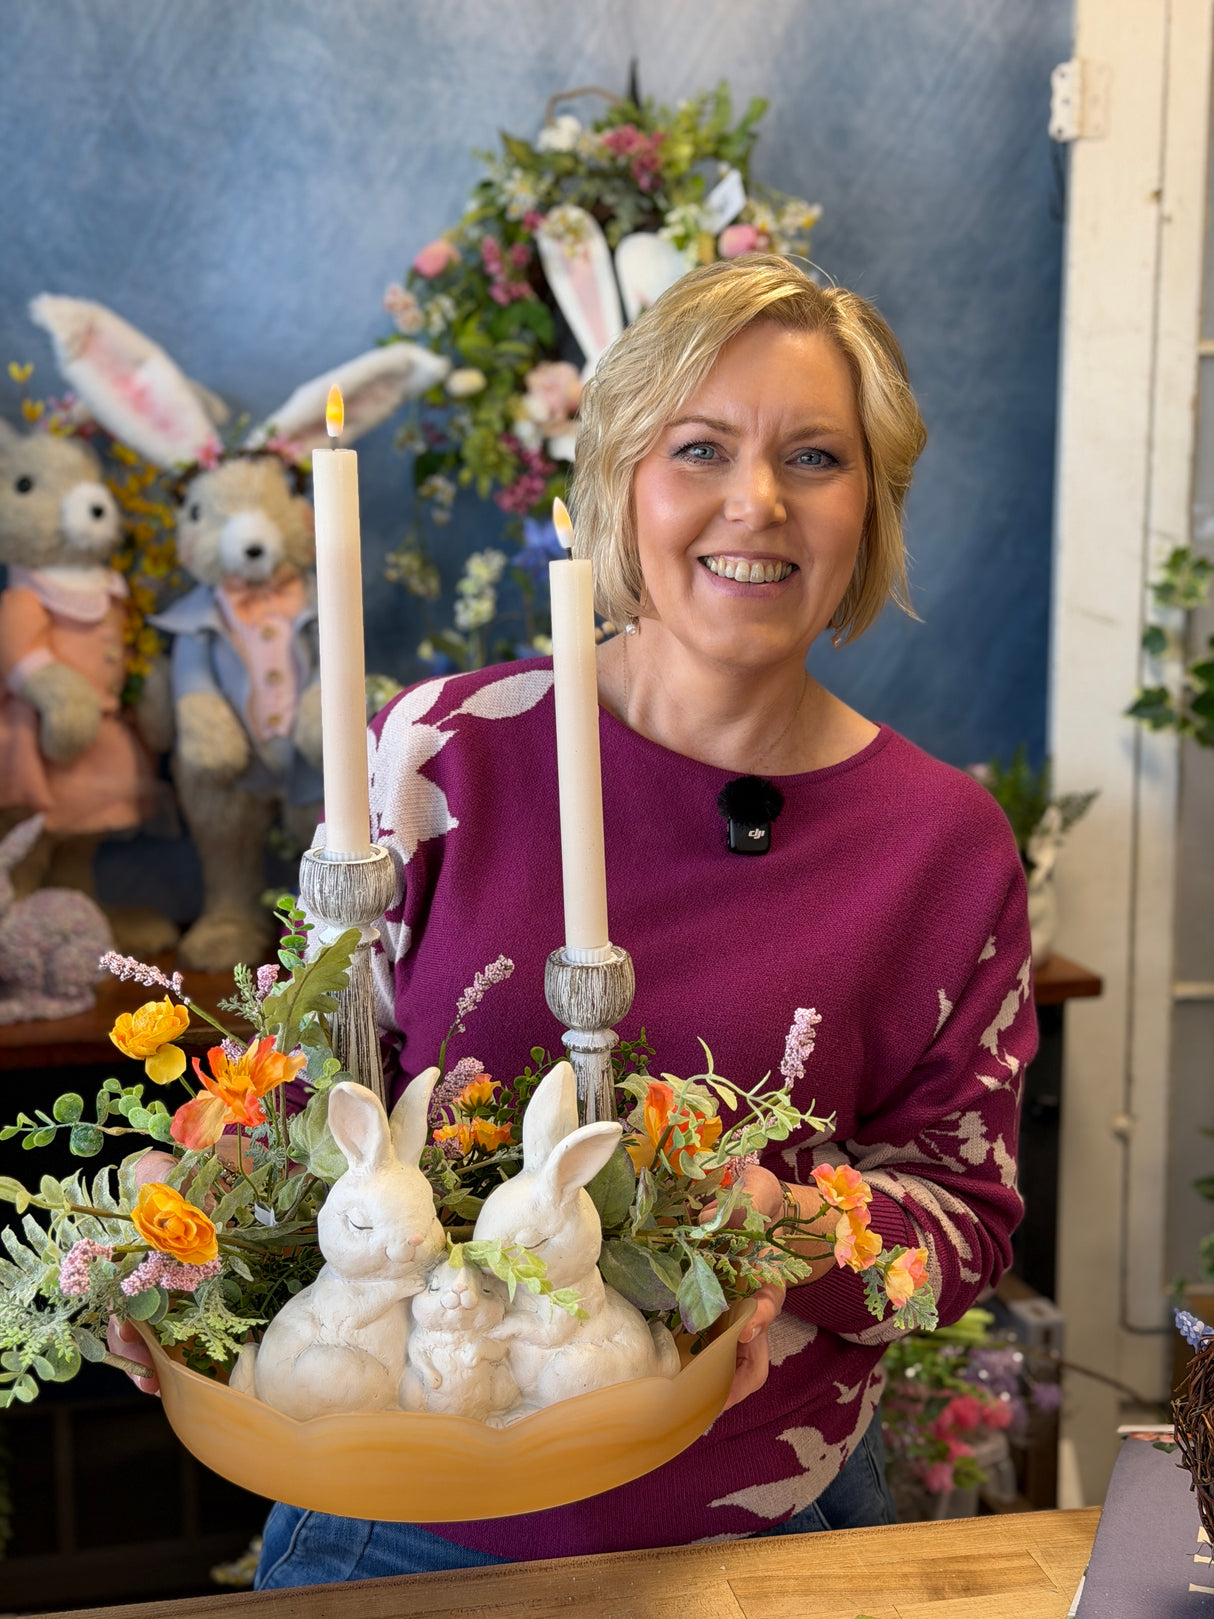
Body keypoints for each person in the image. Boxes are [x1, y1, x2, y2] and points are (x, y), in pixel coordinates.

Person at [118, 254, 1036, 1582]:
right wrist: (184, 1234)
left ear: (871, 506)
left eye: (818, 457)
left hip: (771, 1526)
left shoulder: (939, 845)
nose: (758, 501)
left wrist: (772, 1217)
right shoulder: (439, 755)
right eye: (700, 448)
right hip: (400, 1518)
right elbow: (303, 1099)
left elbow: (963, 1220)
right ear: (619, 485)